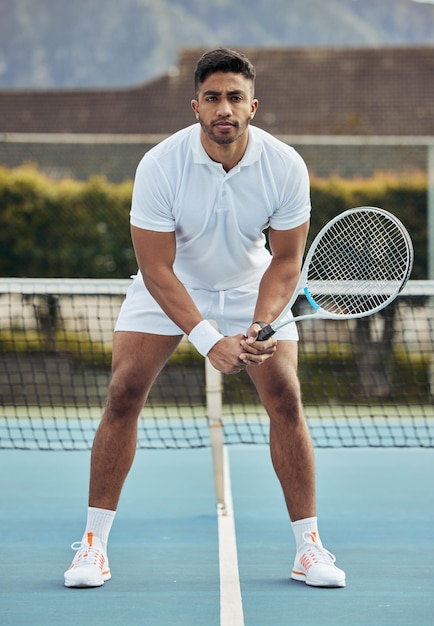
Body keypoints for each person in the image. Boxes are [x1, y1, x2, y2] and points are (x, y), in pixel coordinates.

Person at [64, 47, 345, 589]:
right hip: (169, 283)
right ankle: (92, 547)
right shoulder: (159, 165)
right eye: (213, 97)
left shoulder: (285, 165)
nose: (224, 107)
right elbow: (155, 266)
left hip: (250, 283)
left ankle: (309, 547)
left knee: (284, 394)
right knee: (123, 392)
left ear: (252, 106)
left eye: (234, 97)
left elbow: (286, 260)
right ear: (195, 106)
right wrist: (208, 338)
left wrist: (261, 324)